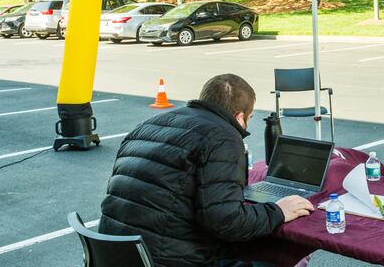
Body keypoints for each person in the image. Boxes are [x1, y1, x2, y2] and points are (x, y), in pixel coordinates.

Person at [98, 74, 314, 267]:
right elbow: (226, 223)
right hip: (168, 258)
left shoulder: (148, 125)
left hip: (115, 253)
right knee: (284, 258)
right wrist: (278, 211)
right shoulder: (223, 136)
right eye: (248, 120)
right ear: (240, 117)